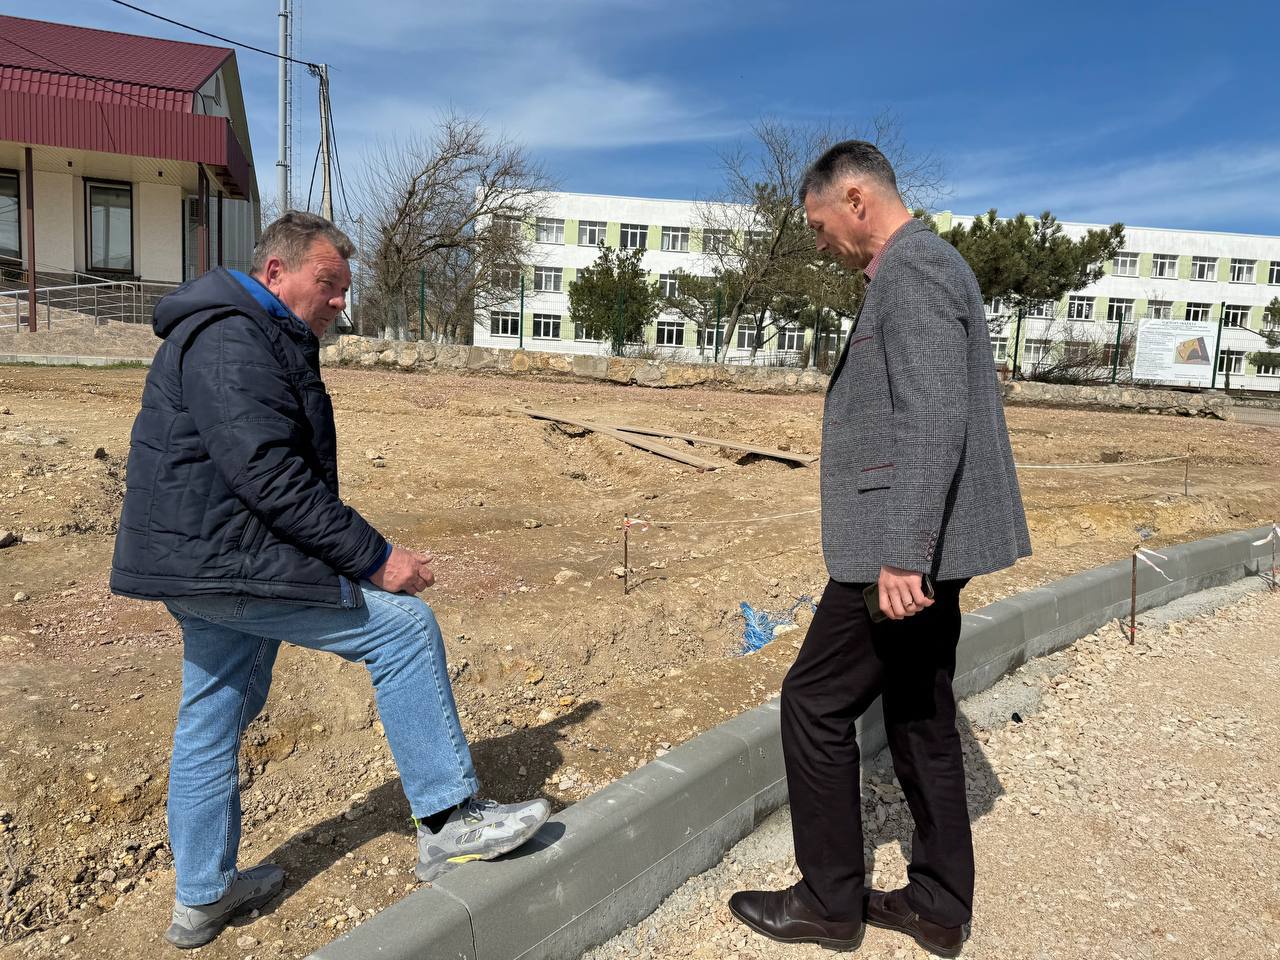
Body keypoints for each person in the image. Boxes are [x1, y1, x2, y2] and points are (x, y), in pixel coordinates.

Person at [110, 212, 549, 949]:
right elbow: (269, 475)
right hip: (229, 560)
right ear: (276, 274)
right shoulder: (232, 336)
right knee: (405, 631)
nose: (341, 301)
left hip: (202, 561)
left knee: (213, 714)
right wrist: (376, 559)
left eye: (346, 287)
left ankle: (202, 898)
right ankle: (448, 822)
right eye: (329, 283)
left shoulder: (248, 331)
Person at [728, 142, 1030, 957]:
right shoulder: (916, 268)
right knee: (919, 709)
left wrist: (903, 553)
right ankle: (937, 903)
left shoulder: (914, 269)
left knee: (814, 702)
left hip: (898, 552)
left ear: (855, 198)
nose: (819, 243)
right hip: (922, 542)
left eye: (820, 224)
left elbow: (934, 415)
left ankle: (830, 903)